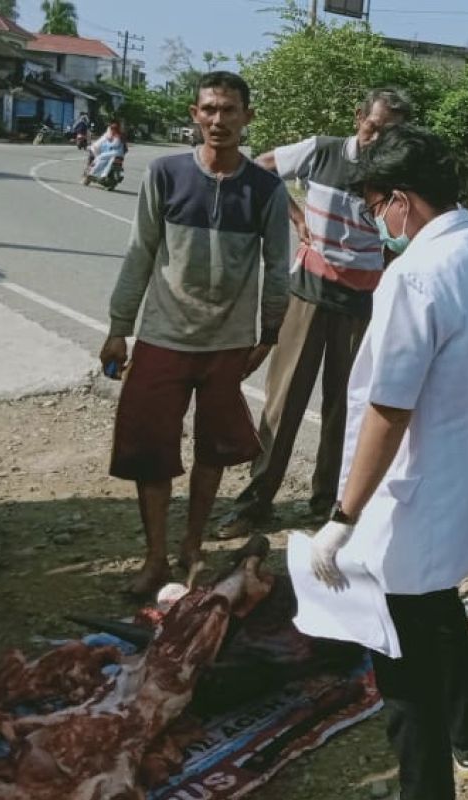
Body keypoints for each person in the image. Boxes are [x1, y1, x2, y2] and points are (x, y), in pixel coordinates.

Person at [304, 124, 468, 799]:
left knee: (401, 669)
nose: (377, 220)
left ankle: (426, 786)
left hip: (414, 502)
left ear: (403, 200)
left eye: (377, 205)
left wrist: (342, 517)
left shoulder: (413, 276)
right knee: (439, 612)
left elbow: (389, 408)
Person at [99, 71, 291, 597]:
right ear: (194, 114)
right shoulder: (164, 174)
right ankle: (156, 556)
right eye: (209, 109)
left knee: (214, 450)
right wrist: (120, 329)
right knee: (150, 449)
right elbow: (139, 253)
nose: (218, 120)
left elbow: (279, 267)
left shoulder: (266, 189)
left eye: (229, 110)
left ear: (247, 117)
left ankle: (192, 547)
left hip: (228, 343)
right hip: (163, 337)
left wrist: (268, 332)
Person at [217, 88, 412, 539]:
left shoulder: (396, 171)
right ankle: (256, 501)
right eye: (373, 126)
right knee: (284, 402)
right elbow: (257, 169)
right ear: (358, 115)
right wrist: (294, 214)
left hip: (363, 302)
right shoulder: (320, 151)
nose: (377, 138)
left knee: (348, 408)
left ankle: (328, 503)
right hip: (308, 293)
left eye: (390, 133)